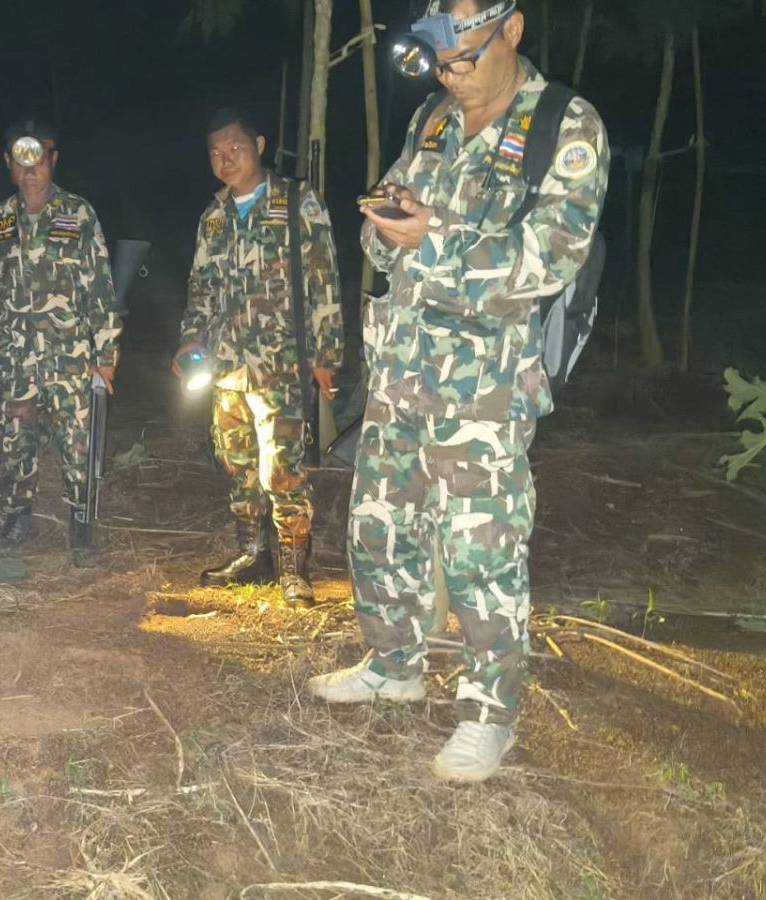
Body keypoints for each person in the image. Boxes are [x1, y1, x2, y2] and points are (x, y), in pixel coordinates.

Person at [307, 0, 610, 783]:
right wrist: (385, 224)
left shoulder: (563, 126)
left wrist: (433, 234)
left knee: (481, 552)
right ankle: (393, 664)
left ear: (511, 29)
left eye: (465, 57)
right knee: (381, 528)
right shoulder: (435, 118)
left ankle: (488, 714)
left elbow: (552, 257)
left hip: (485, 388)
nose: (451, 75)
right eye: (440, 62)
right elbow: (390, 219)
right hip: (402, 371)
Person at [173, 108, 342, 608]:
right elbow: (201, 288)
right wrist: (190, 340)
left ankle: (294, 569)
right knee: (238, 463)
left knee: (283, 469)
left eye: (235, 149)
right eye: (216, 153)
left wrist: (326, 353)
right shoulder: (214, 216)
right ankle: (252, 555)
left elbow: (324, 278)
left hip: (281, 363)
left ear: (260, 146)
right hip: (226, 365)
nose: (225, 160)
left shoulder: (296, 202)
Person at [0, 119, 120, 568]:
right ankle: (17, 519)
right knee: (14, 439)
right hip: (15, 355)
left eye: (40, 158)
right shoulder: (0, 218)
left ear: (54, 160)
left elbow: (100, 287)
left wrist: (106, 354)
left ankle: (81, 524)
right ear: (8, 163)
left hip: (70, 356)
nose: (30, 170)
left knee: (78, 442)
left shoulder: (78, 214)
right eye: (21, 159)